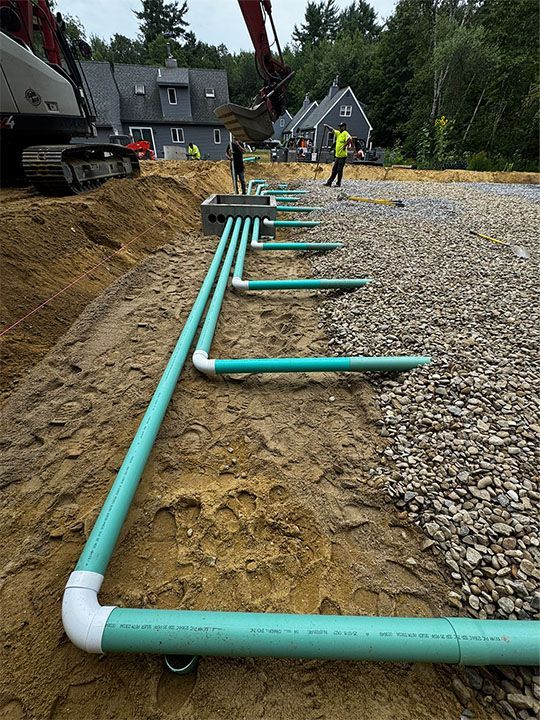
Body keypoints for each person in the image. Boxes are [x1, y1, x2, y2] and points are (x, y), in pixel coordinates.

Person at [323, 122, 352, 187]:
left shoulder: (345, 133)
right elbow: (332, 130)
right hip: (337, 155)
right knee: (334, 170)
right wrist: (327, 126)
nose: (339, 128)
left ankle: (338, 183)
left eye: (341, 127)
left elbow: (350, 139)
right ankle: (329, 183)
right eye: (339, 126)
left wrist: (345, 146)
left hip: (342, 156)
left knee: (339, 170)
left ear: (344, 127)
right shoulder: (338, 133)